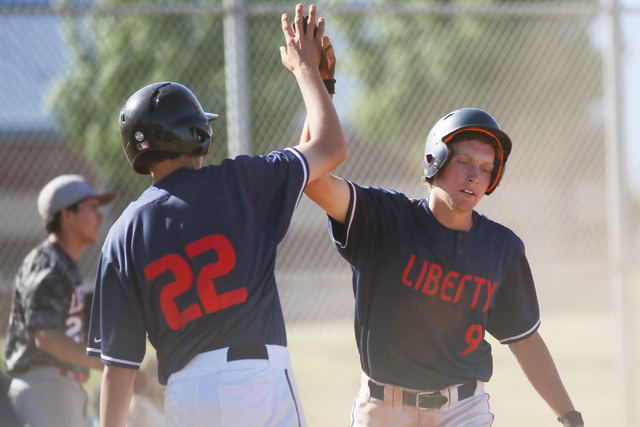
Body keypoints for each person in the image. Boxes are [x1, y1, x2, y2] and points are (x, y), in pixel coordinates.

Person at [85, 4, 346, 427]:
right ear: (198, 135)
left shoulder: (123, 233)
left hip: (187, 395)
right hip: (257, 379)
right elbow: (329, 147)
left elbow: (119, 367)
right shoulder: (239, 183)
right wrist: (311, 74)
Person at [303, 107, 584, 426]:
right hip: (384, 409)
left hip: (462, 409)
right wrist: (318, 83)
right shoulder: (386, 219)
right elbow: (313, 180)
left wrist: (569, 416)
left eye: (486, 168)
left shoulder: (501, 247)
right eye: (464, 162)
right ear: (434, 160)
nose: (475, 177)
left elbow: (525, 340)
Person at [4, 174, 116, 427]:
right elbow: (45, 336)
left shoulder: (63, 263)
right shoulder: (47, 262)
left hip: (60, 389)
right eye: (93, 208)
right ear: (67, 215)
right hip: (44, 389)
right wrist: (108, 366)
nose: (101, 217)